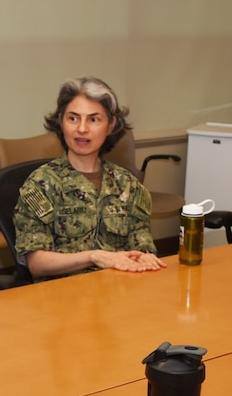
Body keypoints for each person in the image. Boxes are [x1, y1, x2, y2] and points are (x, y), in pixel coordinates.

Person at [13, 77, 164, 279]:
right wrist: (94, 257)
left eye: (93, 119)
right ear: (61, 121)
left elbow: (142, 244)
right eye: (73, 118)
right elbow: (36, 263)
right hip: (62, 298)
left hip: (118, 293)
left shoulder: (127, 184)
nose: (82, 129)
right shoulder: (42, 184)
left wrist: (145, 257)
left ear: (111, 125)